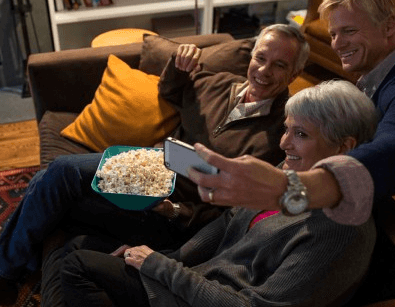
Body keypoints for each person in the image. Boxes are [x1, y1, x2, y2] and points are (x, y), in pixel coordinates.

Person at [0, 24, 310, 307]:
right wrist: (179, 67)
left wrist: (178, 211)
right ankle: (4, 276)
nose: (264, 70)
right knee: (57, 181)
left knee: (61, 179)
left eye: (280, 65)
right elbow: (169, 91)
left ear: (294, 74)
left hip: (174, 207)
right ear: (252, 55)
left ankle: (1, 278)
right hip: (153, 166)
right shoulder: (218, 82)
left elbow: (234, 211)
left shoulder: (281, 131)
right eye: (261, 58)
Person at [187, 0, 395, 259]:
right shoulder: (375, 81)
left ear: (389, 27)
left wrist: (288, 189)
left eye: (349, 31)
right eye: (333, 34)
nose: (337, 44)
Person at [58, 80, 378, 307]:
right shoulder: (292, 175)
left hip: (196, 295)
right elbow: (229, 222)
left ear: (344, 146)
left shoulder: (339, 231)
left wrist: (159, 266)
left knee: (78, 266)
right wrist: (170, 259)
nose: (284, 144)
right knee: (75, 242)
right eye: (286, 129)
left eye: (301, 134)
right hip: (192, 280)